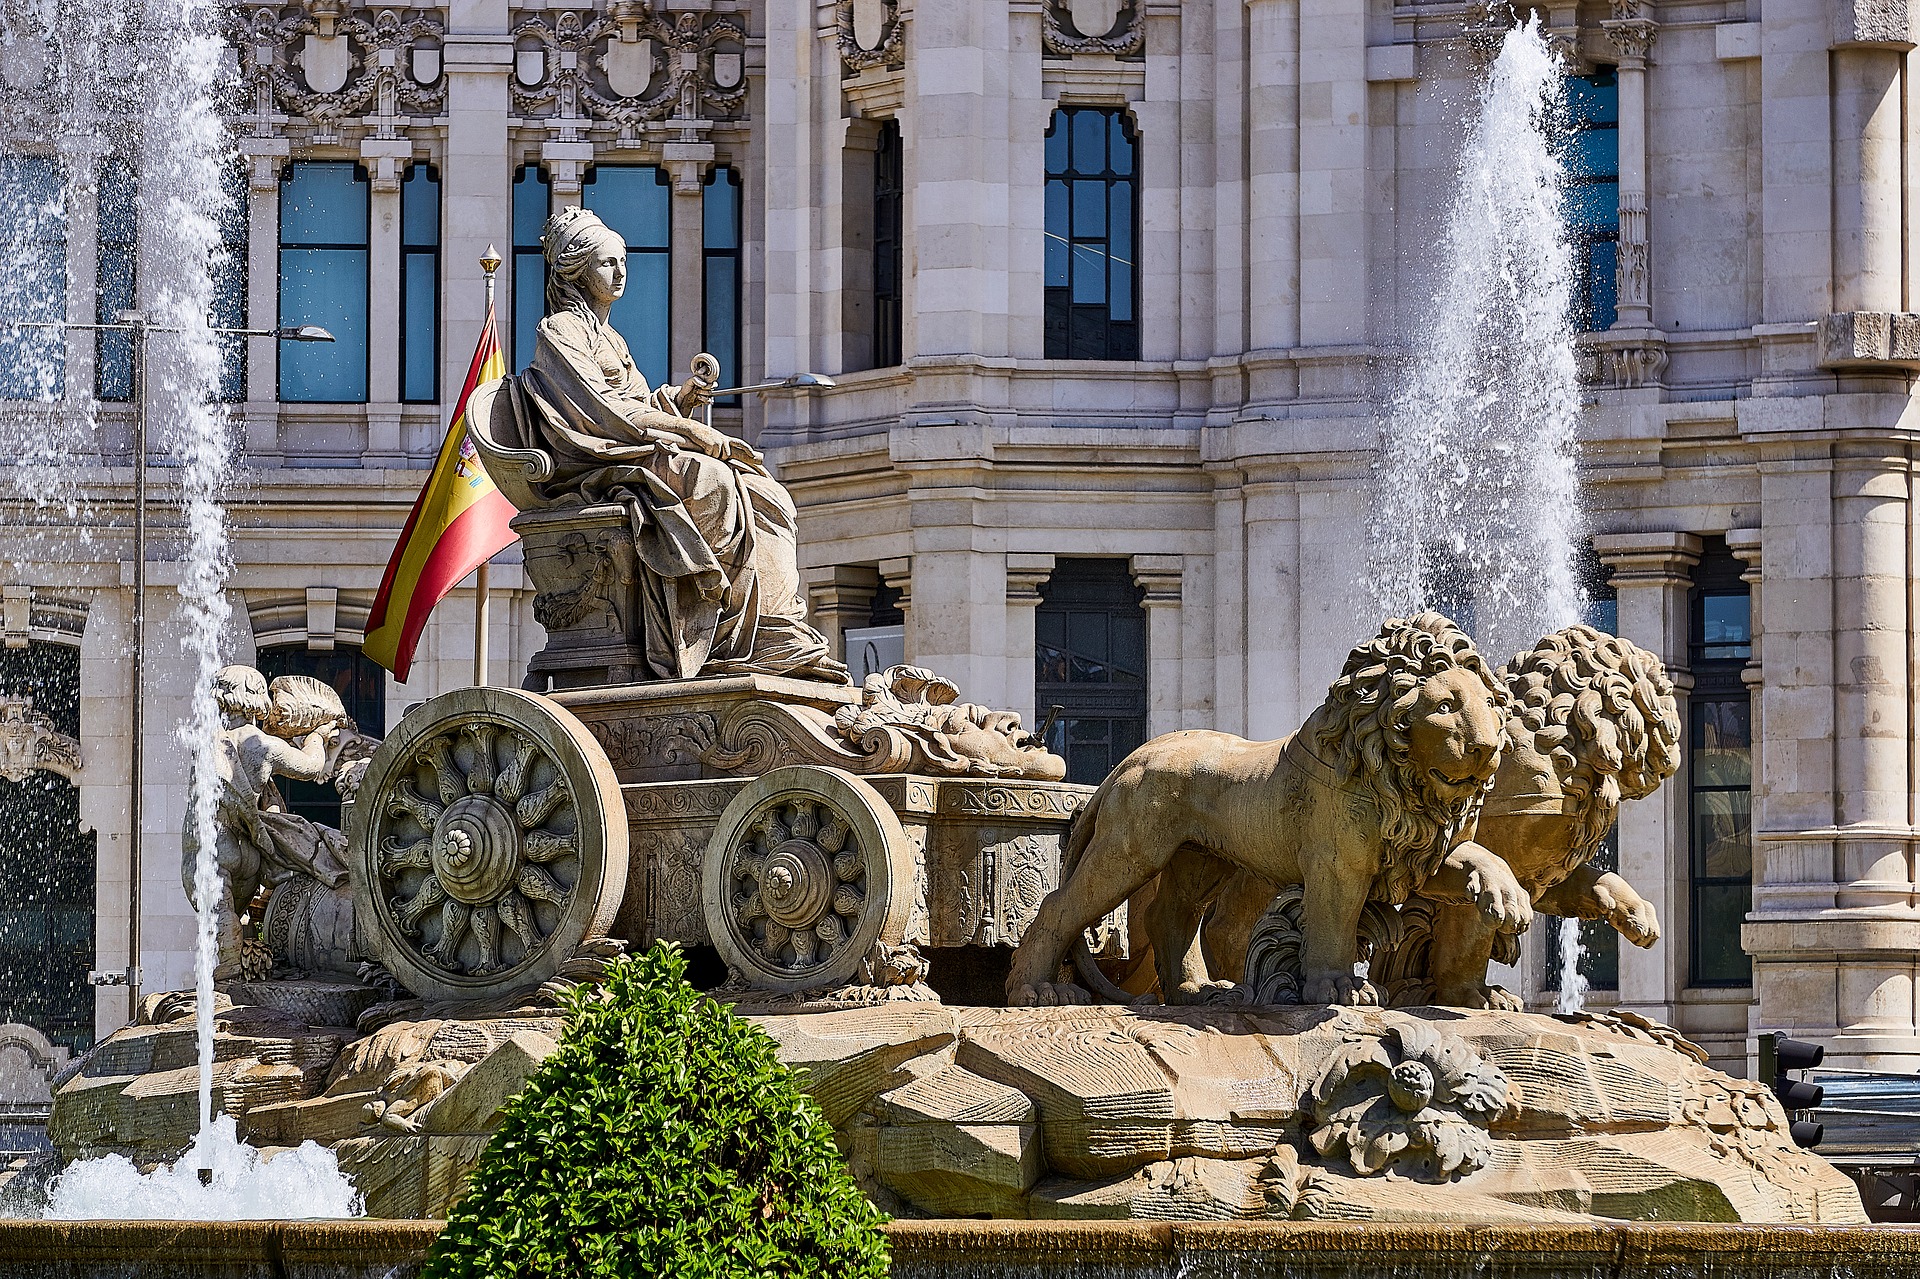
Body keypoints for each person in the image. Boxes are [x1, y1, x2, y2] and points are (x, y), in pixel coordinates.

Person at [483, 205, 846, 683]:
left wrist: (680, 401)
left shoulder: (610, 338)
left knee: (766, 493)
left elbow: (637, 403)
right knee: (713, 480)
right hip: (596, 465)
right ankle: (720, 631)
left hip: (636, 450)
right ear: (575, 268)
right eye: (607, 263)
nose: (620, 273)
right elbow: (603, 415)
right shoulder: (560, 331)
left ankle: (768, 628)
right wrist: (692, 432)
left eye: (624, 262)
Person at [182, 666, 348, 977]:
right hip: (252, 852)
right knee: (242, 919)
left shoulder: (205, 742)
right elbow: (313, 768)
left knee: (220, 917)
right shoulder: (263, 745)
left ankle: (228, 983)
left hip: (216, 843)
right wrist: (316, 737)